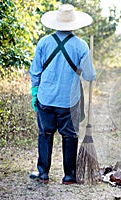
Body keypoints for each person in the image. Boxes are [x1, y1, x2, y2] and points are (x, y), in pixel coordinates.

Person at [29, 4, 96, 184]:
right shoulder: (81, 46)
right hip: (70, 100)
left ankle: (43, 173)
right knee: (70, 136)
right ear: (74, 24)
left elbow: (35, 71)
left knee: (45, 134)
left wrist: (35, 92)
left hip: (46, 97)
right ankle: (69, 176)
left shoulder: (44, 42)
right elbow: (90, 75)